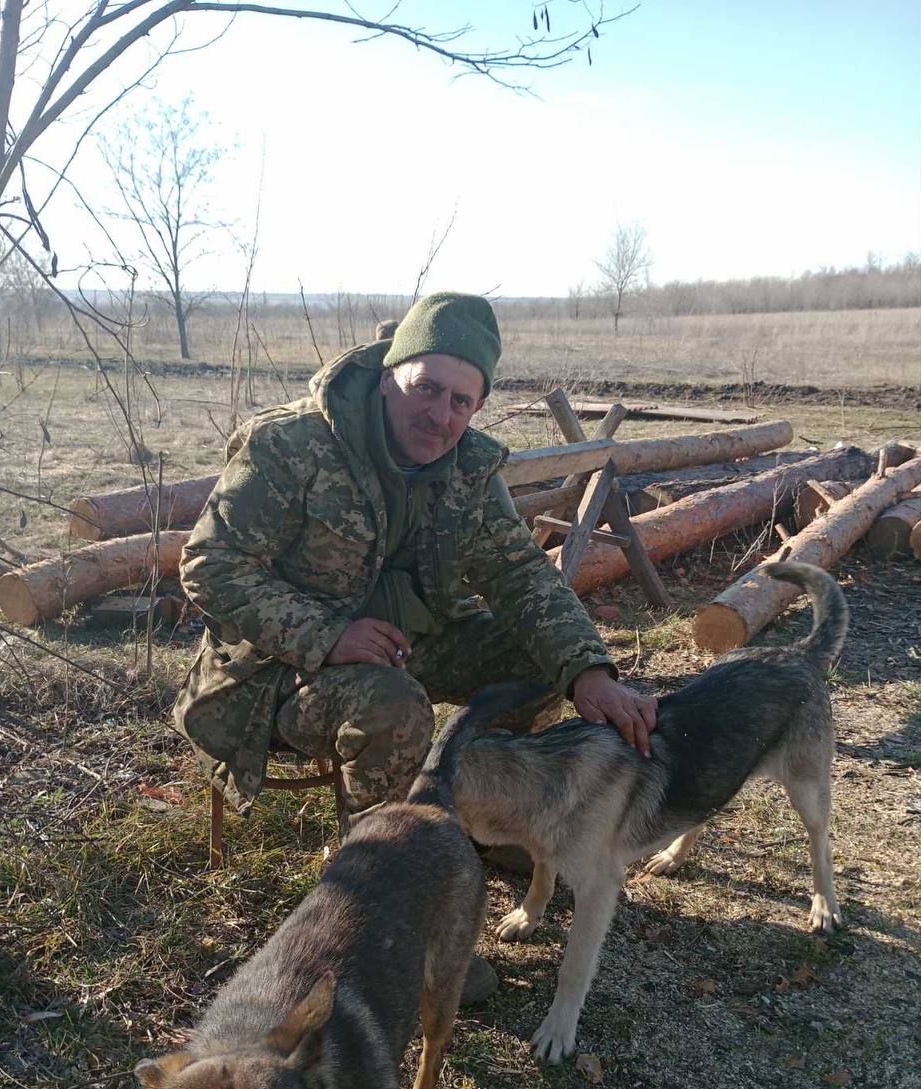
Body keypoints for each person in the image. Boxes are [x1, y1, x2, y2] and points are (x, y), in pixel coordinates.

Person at [174, 293, 657, 994]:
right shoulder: (292, 445)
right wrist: (328, 634)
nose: (440, 415)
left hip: (407, 646)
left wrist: (588, 672)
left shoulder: (466, 468)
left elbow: (520, 576)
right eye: (426, 388)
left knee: (535, 658)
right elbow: (209, 566)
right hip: (275, 669)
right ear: (386, 377)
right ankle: (390, 918)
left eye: (462, 401)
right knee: (394, 708)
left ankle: (493, 815)